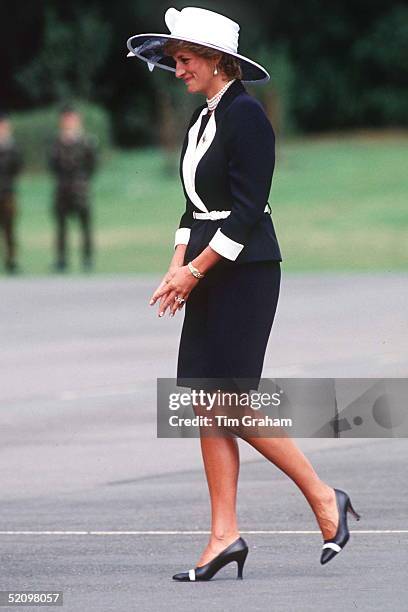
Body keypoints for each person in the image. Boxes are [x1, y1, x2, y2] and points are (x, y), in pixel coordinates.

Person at [128, 6, 361, 582]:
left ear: (215, 61)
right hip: (207, 267)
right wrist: (176, 266)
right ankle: (224, 535)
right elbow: (192, 207)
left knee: (228, 398)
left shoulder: (247, 116)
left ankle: (324, 497)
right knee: (203, 400)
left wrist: (196, 270)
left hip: (246, 268)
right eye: (175, 61)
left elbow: (248, 211)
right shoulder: (200, 119)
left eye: (183, 60)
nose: (175, 69)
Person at [49, 105, 97, 272]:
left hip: (80, 190)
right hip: (62, 190)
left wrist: (83, 181)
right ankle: (61, 260)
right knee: (61, 228)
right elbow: (53, 165)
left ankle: (87, 259)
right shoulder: (57, 141)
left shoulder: (86, 141)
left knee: (85, 226)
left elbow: (92, 164)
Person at [0, 112, 23, 274]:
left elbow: (18, 168)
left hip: (8, 192)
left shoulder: (13, 147)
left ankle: (12, 260)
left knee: (9, 228)